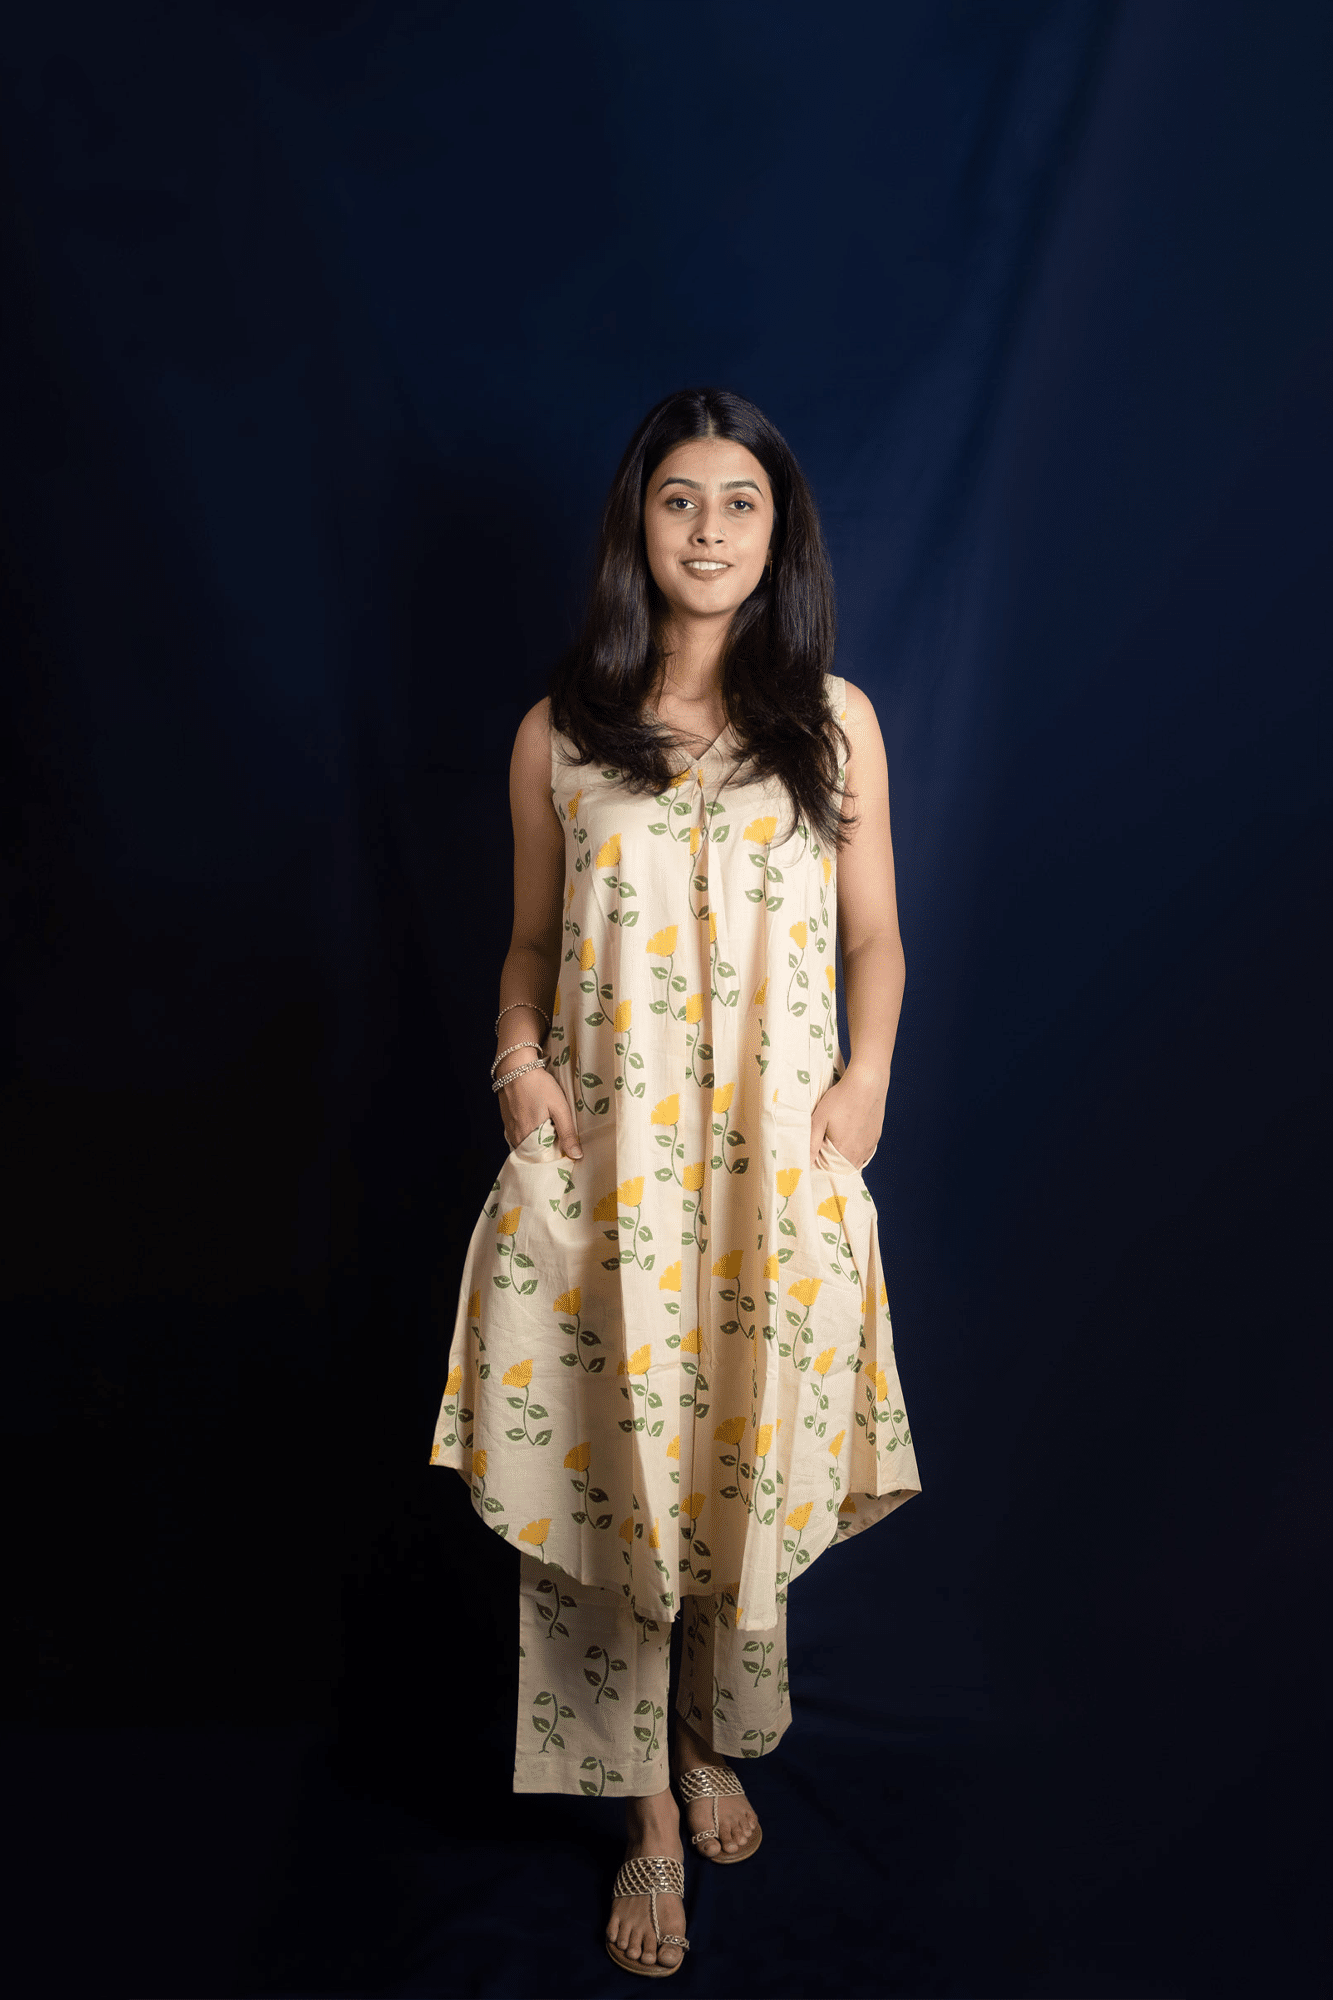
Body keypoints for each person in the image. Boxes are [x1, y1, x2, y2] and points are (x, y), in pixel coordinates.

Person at [430, 386, 920, 1976]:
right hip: (612, 1190)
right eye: (679, 501)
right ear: (637, 528)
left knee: (734, 1466)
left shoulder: (834, 723)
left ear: (780, 535)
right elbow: (527, 946)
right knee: (609, 1476)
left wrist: (864, 1083)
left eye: (740, 503)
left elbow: (873, 938)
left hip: (774, 1179)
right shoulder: (558, 735)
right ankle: (643, 1812)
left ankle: (705, 1737)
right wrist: (516, 1066)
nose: (709, 530)